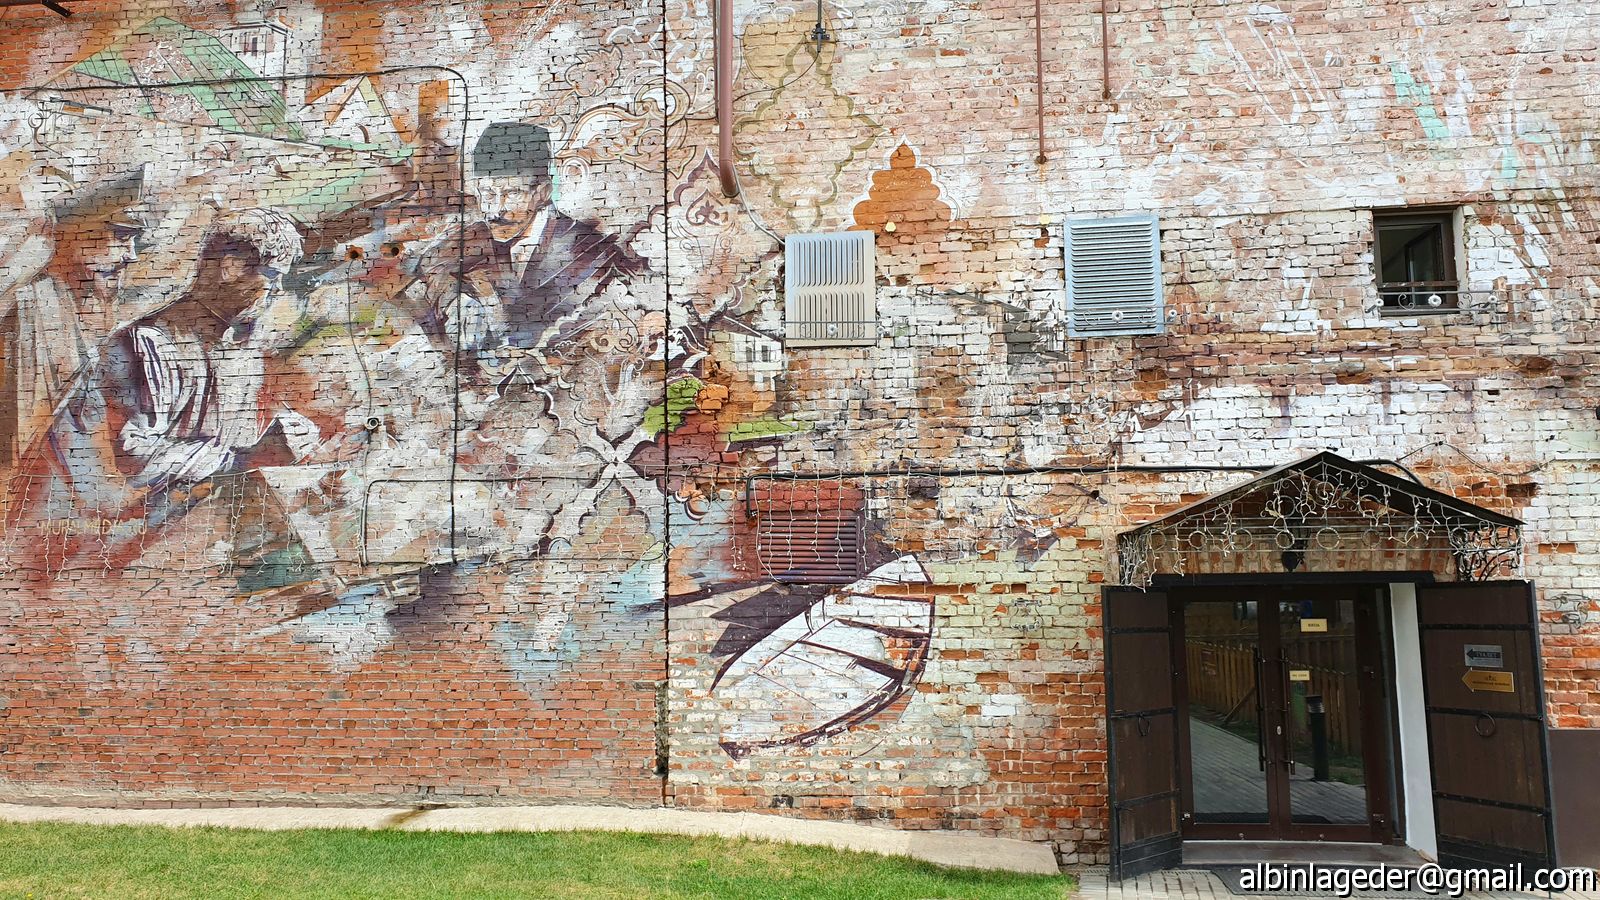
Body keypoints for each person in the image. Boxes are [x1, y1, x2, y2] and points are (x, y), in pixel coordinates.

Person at [0, 169, 144, 466]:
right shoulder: (34, 303)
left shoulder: (87, 307)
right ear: (79, 236)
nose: (131, 256)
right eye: (120, 237)